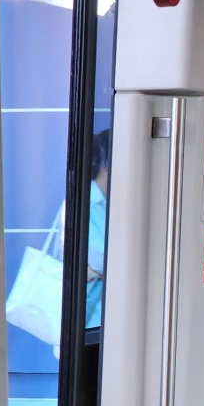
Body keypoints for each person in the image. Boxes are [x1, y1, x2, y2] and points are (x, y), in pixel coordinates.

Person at [86, 129, 110, 329]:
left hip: (104, 320)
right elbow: (102, 259)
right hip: (88, 321)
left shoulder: (108, 202)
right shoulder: (85, 202)